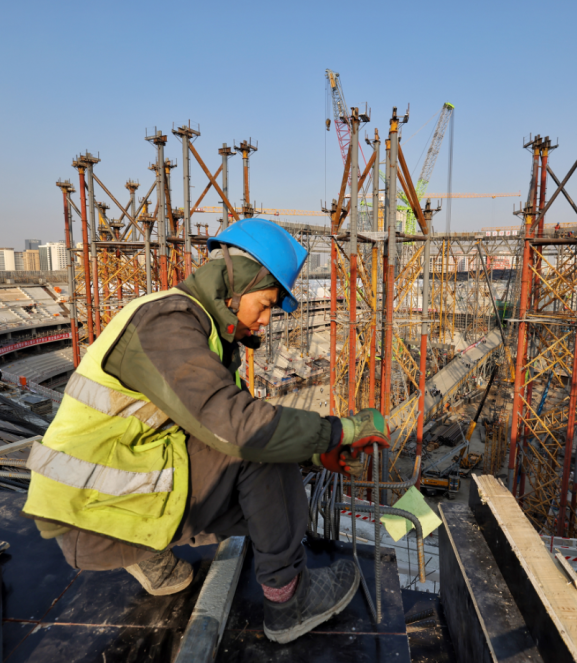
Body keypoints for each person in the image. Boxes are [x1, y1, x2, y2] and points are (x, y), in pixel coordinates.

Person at [22, 219, 390, 644]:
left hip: (96, 508)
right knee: (257, 447)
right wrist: (337, 431)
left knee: (260, 447)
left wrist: (313, 453)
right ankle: (289, 601)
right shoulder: (168, 323)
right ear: (238, 283)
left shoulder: (198, 332)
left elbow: (208, 425)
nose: (266, 321)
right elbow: (239, 428)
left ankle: (150, 556)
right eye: (267, 304)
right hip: (93, 520)